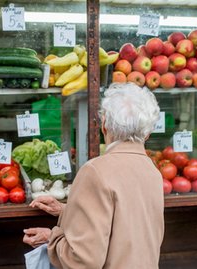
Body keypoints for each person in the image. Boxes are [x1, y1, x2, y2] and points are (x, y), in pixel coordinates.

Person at [23, 82, 165, 268]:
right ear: (147, 134)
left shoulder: (96, 171)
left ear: (104, 124)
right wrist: (67, 210)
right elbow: (125, 225)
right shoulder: (152, 171)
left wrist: (53, 237)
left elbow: (82, 260)